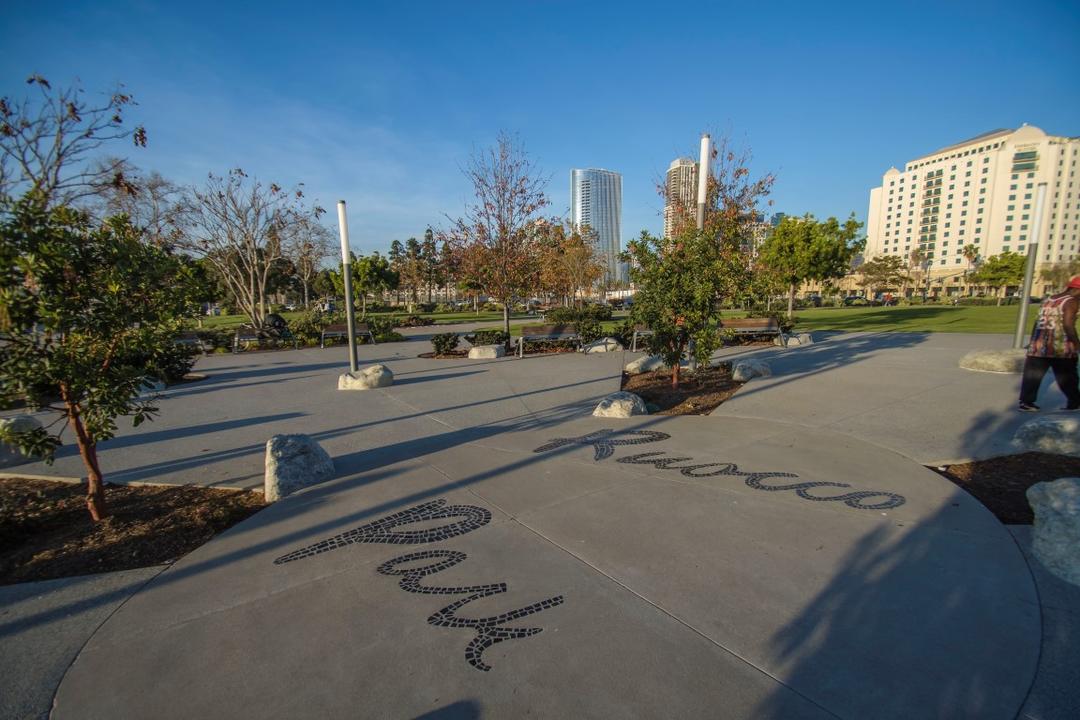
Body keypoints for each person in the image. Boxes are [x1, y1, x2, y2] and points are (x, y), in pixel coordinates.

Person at [1018, 276, 1080, 412]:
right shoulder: (1071, 301)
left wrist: (1032, 341)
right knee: (1067, 375)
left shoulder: (1048, 300)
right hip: (1060, 347)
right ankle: (1074, 402)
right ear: (1077, 289)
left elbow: (1037, 321)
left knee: (1032, 376)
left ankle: (1026, 403)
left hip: (1038, 345)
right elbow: (1068, 324)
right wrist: (1076, 344)